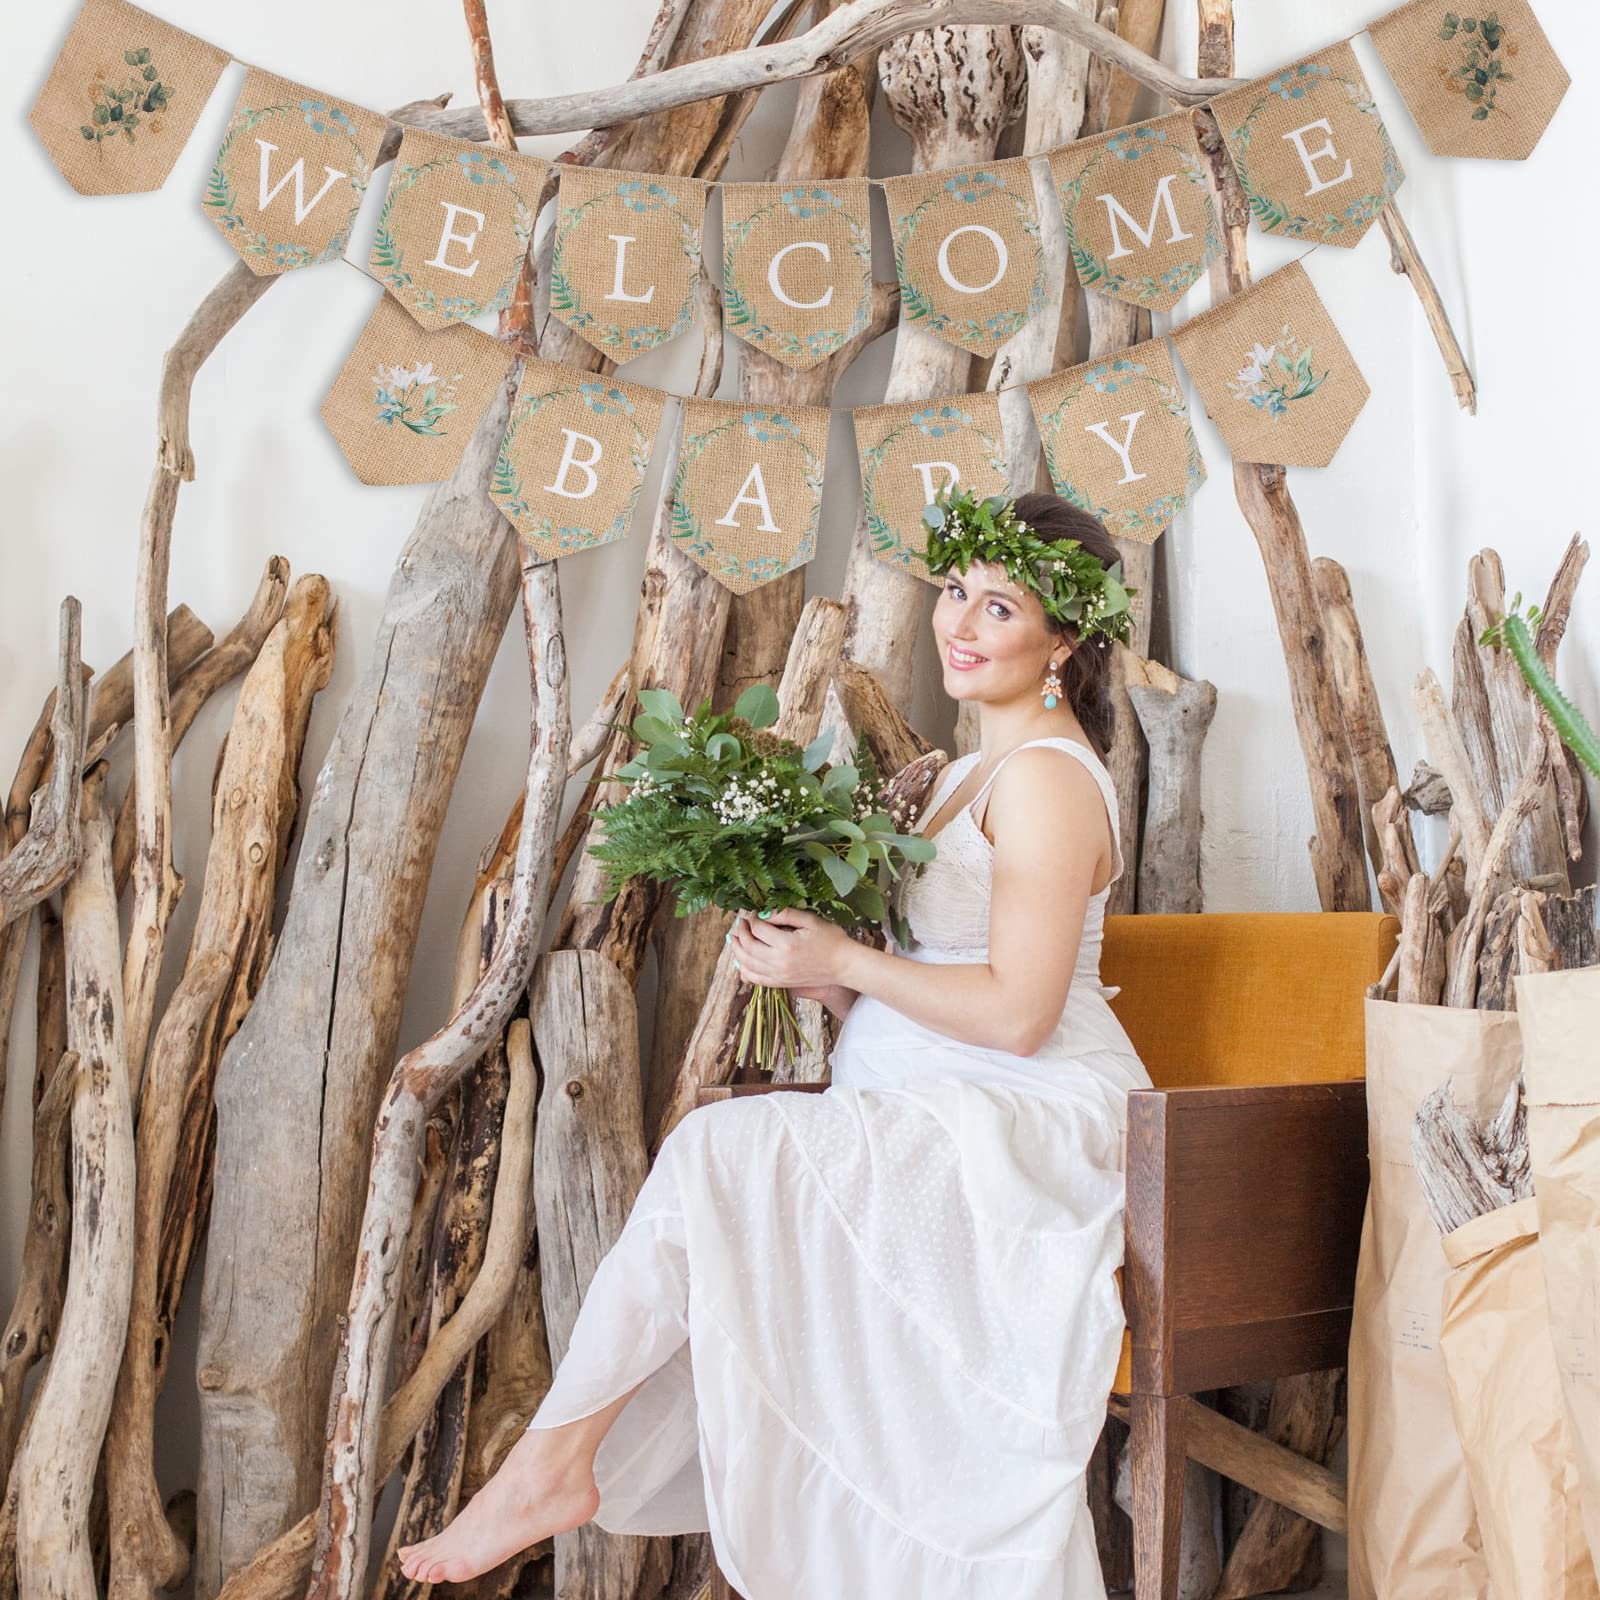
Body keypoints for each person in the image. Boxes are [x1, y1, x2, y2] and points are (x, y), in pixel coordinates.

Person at [397, 489, 1154, 1596]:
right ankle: (563, 1464)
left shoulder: (1045, 778)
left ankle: (551, 1464)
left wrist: (844, 963)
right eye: (956, 593)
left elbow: (1016, 1015)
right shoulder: (955, 776)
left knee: (714, 1154)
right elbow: (929, 988)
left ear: (1064, 640)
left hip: (1033, 1114)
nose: (960, 624)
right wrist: (818, 964)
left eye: (999, 608)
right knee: (723, 1176)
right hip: (929, 1098)